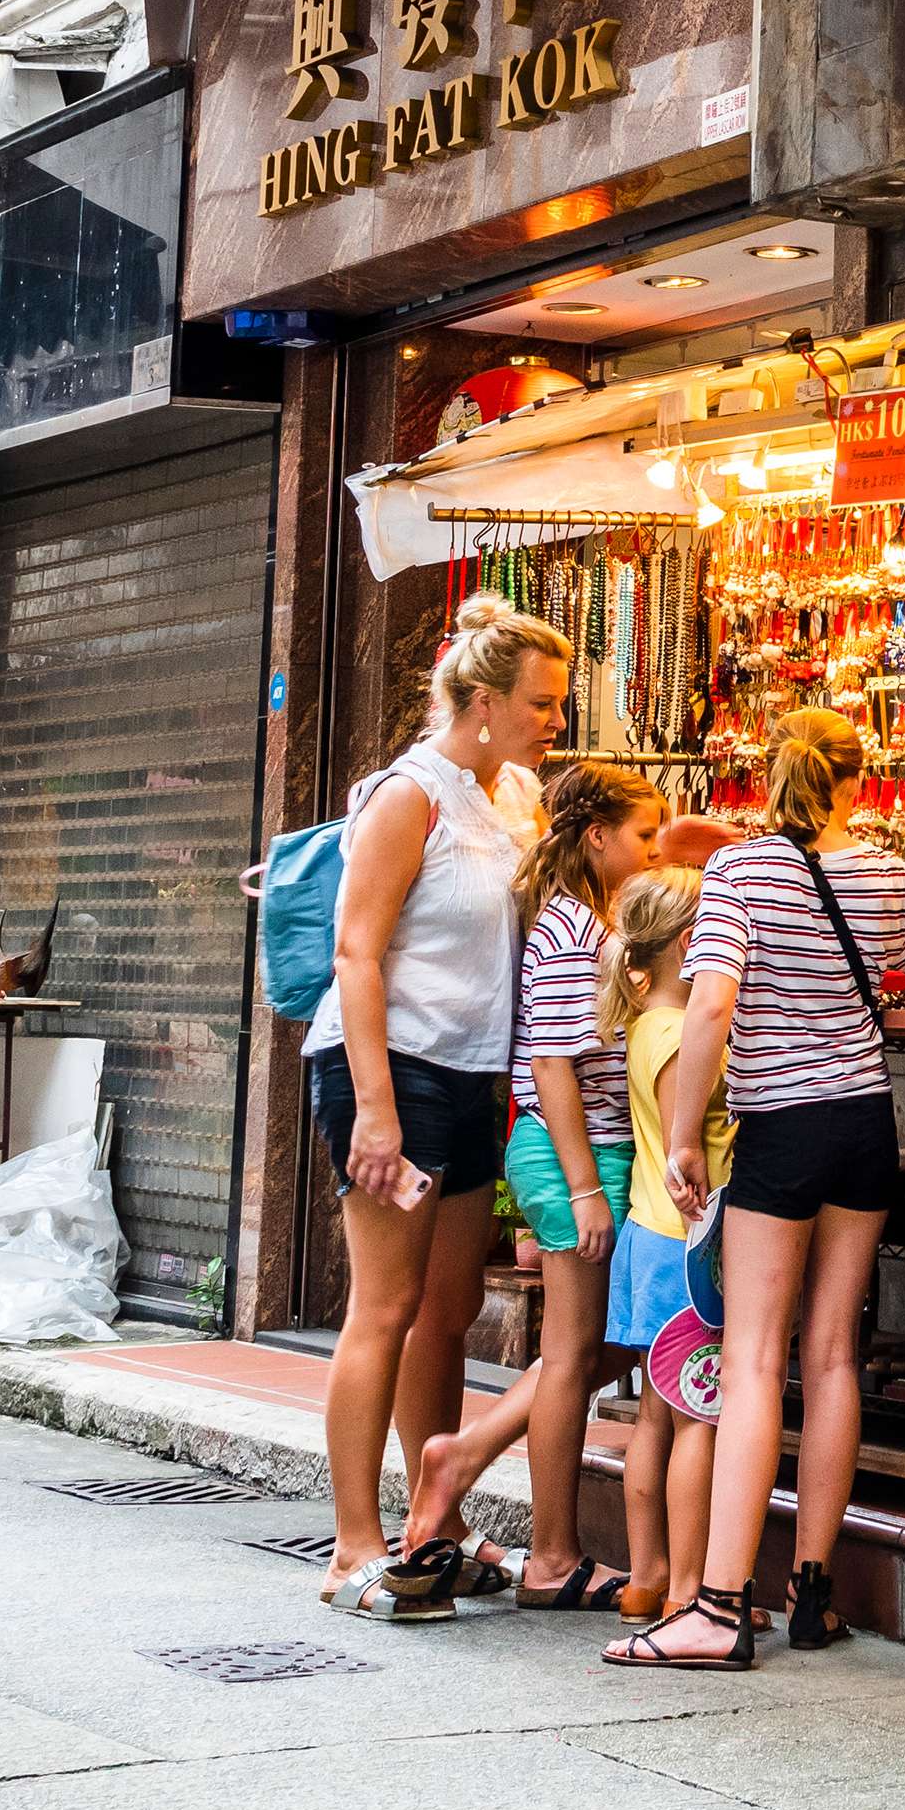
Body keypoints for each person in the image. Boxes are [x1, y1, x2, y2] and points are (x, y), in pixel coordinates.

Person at [618, 707, 905, 1669]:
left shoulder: (741, 872)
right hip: (866, 1124)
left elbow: (711, 999)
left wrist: (681, 1135)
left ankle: (715, 1605)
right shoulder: (883, 870)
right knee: (831, 1355)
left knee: (751, 1358)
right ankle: (813, 1594)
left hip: (780, 1130)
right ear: (856, 782)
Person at [310, 592, 560, 1621]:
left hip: (470, 1074)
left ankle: (435, 1526)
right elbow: (355, 951)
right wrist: (374, 1109)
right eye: (540, 703)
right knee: (386, 1306)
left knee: (448, 1313)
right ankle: (350, 1544)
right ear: (483, 701)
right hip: (390, 1067)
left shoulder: (518, 798)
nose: (555, 719)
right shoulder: (406, 795)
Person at [400, 755, 663, 1608]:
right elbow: (550, 1063)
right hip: (570, 1154)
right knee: (579, 1350)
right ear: (597, 837)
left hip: (593, 1152)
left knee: (608, 1342)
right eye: (644, 835)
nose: (655, 850)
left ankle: (463, 1454)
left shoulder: (592, 920)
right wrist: (586, 1188)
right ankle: (550, 1554)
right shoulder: (569, 932)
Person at [592, 867, 722, 1644]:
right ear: (687, 943)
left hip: (648, 1238)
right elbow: (689, 1150)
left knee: (653, 1415)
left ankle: (645, 1577)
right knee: (697, 1419)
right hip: (684, 1242)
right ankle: (684, 1587)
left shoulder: (644, 1023)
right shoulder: (680, 1035)